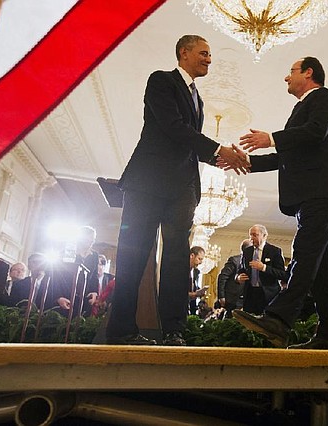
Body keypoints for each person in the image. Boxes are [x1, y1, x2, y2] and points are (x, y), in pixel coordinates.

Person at [105, 35, 249, 346]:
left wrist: (219, 158)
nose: (209, 60)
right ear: (184, 53)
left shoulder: (199, 99)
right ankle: (121, 331)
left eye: (210, 55)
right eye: (204, 53)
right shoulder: (161, 80)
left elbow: (190, 143)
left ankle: (174, 331)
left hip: (182, 189)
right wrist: (218, 148)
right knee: (135, 255)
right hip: (149, 183)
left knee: (176, 259)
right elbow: (172, 127)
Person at [226, 56, 328, 349]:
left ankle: (279, 320)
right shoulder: (301, 107)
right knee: (320, 271)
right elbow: (288, 155)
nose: (286, 78)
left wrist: (271, 138)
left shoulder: (323, 97)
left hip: (321, 191)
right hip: (311, 195)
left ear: (308, 73)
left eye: (290, 71)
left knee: (304, 255)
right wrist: (250, 163)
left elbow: (315, 131)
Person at [236, 225, 286, 315]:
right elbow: (241, 269)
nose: (251, 238)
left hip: (268, 295)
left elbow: (282, 274)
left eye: (255, 235)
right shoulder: (247, 252)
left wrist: (264, 268)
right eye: (250, 235)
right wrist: (238, 277)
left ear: (264, 236)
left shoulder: (275, 251)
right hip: (250, 294)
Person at [217, 239, 252, 317]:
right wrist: (221, 296)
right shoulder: (234, 260)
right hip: (231, 300)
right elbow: (222, 277)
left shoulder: (254, 262)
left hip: (245, 300)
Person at [188, 246, 206, 316]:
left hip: (191, 309)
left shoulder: (196, 272)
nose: (201, 262)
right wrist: (194, 294)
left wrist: (200, 292)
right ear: (192, 256)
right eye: (199, 259)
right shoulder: (181, 271)